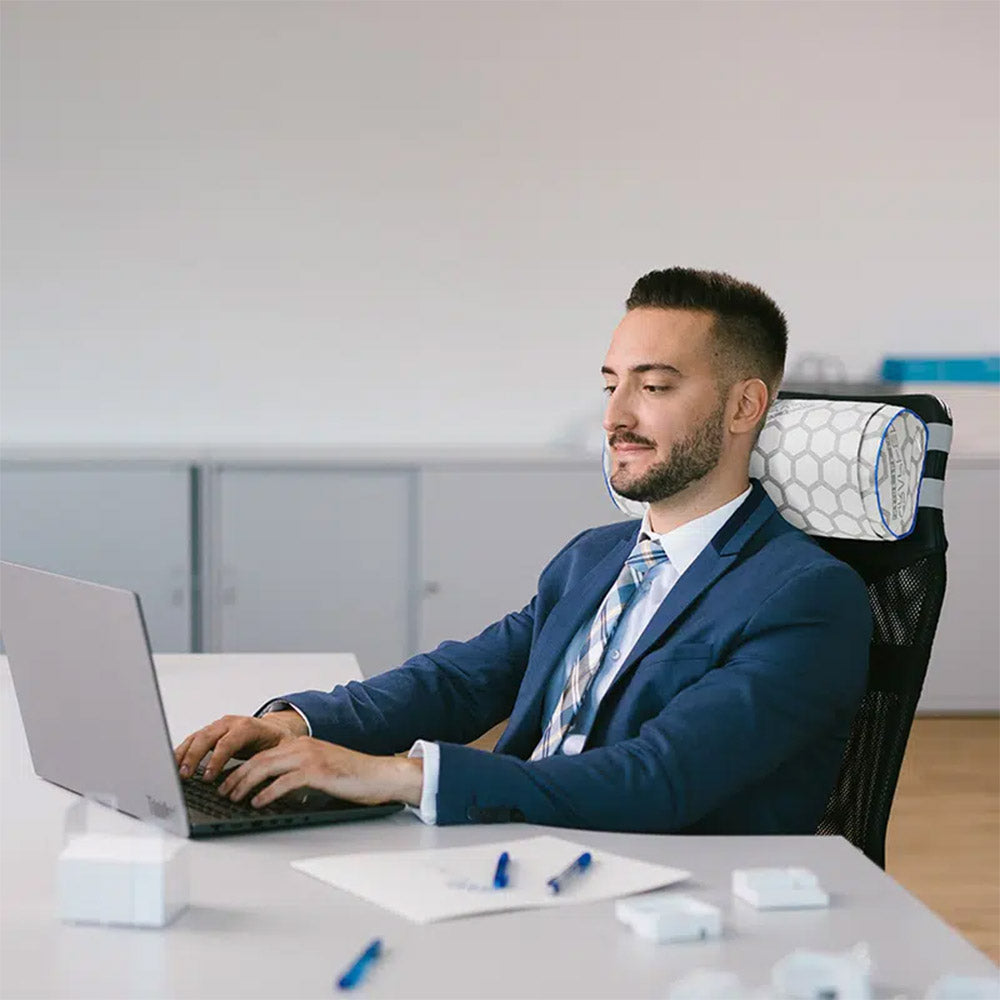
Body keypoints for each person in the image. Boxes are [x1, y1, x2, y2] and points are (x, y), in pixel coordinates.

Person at [174, 267, 872, 834]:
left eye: (653, 387)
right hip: (513, 844)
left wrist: (390, 775)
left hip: (651, 889)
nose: (615, 416)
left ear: (745, 407)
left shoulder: (806, 595)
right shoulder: (594, 559)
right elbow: (458, 682)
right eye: (611, 385)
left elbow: (658, 780)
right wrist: (291, 725)